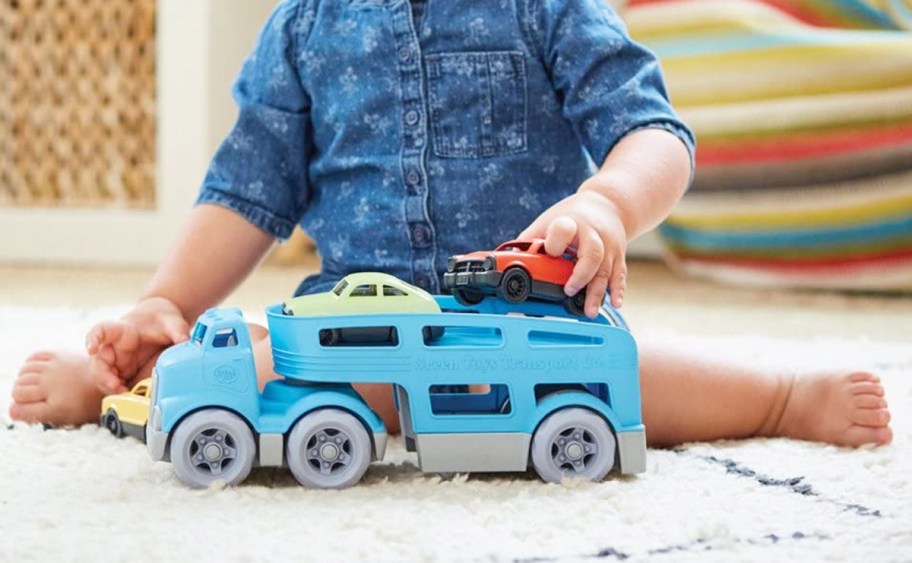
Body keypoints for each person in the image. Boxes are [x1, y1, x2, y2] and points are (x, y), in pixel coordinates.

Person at [9, 0, 891, 448]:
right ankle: (129, 387)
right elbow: (248, 187)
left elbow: (651, 130)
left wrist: (605, 204)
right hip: (354, 324)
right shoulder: (302, 26)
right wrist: (167, 296)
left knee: (626, 374)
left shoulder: (548, 7)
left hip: (532, 311)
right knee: (243, 358)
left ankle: (779, 399)